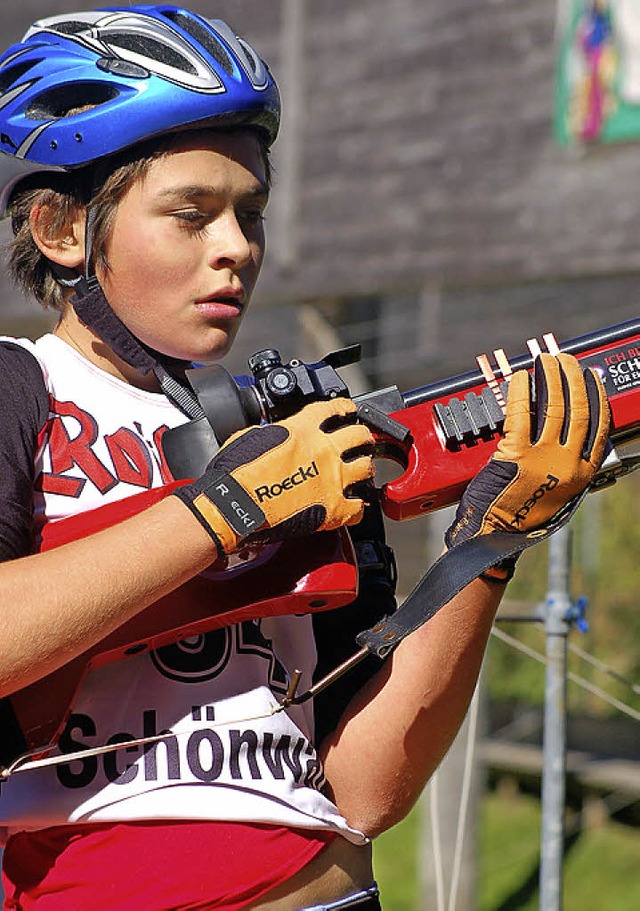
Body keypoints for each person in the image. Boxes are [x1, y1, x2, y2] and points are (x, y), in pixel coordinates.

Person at [0, 7, 610, 910]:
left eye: (251, 213)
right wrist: (226, 512)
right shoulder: (23, 390)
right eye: (190, 214)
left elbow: (364, 791)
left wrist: (493, 542)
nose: (236, 247)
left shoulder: (303, 437)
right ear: (60, 229)